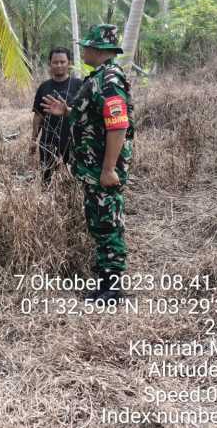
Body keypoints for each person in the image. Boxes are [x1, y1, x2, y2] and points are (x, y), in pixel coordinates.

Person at [41, 25, 134, 303]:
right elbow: (93, 119)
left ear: (98, 50)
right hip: (92, 169)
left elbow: (117, 126)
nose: (82, 51)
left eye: (86, 47)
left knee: (108, 224)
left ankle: (112, 288)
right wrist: (68, 112)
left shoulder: (110, 81)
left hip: (101, 170)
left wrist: (108, 169)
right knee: (100, 223)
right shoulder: (98, 78)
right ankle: (105, 283)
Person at [30, 47, 83, 184]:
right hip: (48, 140)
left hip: (72, 141)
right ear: (50, 64)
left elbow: (84, 114)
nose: (59, 65)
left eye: (62, 62)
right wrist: (34, 139)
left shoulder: (79, 85)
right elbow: (38, 115)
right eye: (55, 62)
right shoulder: (44, 87)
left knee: (75, 180)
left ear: (69, 63)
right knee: (46, 179)